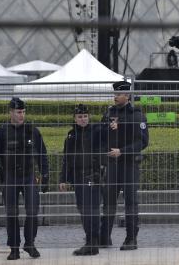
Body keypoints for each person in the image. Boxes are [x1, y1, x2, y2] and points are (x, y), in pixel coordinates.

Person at [0, 97, 48, 260]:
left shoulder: (33, 131)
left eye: (23, 112)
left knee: (33, 211)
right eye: (18, 112)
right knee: (11, 214)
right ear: (10, 112)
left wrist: (45, 175)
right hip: (9, 177)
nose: (21, 115)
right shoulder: (0, 132)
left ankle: (30, 243)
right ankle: (14, 248)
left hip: (29, 177)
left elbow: (42, 154)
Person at [99, 80, 149, 250]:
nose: (115, 97)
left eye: (118, 94)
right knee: (109, 201)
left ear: (127, 95)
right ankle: (104, 237)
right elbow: (100, 137)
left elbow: (142, 142)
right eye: (114, 94)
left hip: (128, 165)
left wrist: (122, 151)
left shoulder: (137, 115)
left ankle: (131, 238)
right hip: (112, 165)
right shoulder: (108, 114)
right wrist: (108, 129)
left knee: (130, 202)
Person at [59, 103, 104, 256]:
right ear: (75, 118)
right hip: (78, 177)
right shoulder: (71, 135)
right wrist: (63, 179)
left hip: (94, 175)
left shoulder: (97, 131)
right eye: (80, 116)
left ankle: (93, 242)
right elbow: (67, 159)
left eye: (85, 116)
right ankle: (90, 241)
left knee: (93, 209)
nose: (83, 119)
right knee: (83, 209)